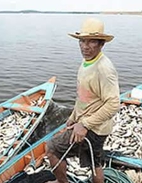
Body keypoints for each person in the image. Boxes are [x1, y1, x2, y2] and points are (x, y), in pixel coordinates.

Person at [46, 18, 120, 183]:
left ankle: (61, 182)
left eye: (91, 42)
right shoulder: (88, 61)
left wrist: (85, 124)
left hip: (94, 128)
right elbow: (84, 97)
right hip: (89, 124)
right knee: (94, 162)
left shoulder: (104, 69)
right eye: (82, 41)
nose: (85, 46)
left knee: (52, 149)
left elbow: (114, 104)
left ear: (101, 44)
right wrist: (73, 116)